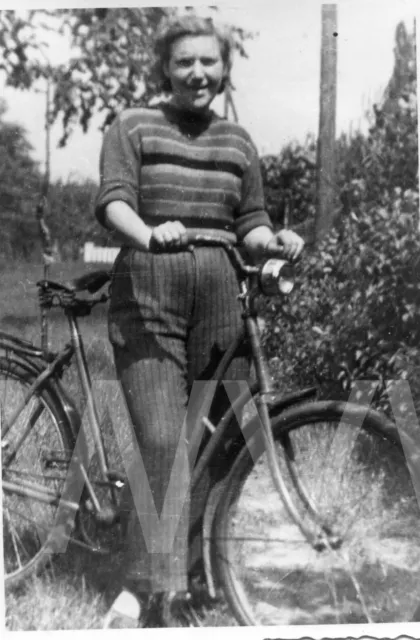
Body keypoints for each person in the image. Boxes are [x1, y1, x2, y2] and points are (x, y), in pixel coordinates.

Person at [95, 13, 304, 628]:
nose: (197, 73)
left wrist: (275, 241)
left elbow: (251, 225)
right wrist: (150, 232)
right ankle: (141, 588)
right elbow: (113, 203)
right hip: (149, 286)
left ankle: (188, 571)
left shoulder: (237, 142)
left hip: (220, 288)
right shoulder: (132, 125)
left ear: (224, 68)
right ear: (165, 67)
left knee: (221, 435)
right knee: (163, 439)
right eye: (184, 61)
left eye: (208, 62)